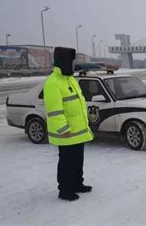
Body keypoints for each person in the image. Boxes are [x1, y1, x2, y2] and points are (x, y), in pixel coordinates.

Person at [44, 47, 94, 201]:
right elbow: (54, 111)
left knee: (78, 160)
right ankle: (64, 190)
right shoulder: (53, 83)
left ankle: (77, 184)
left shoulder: (70, 79)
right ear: (64, 62)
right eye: (71, 62)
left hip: (78, 131)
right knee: (66, 162)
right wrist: (63, 129)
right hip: (66, 133)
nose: (73, 65)